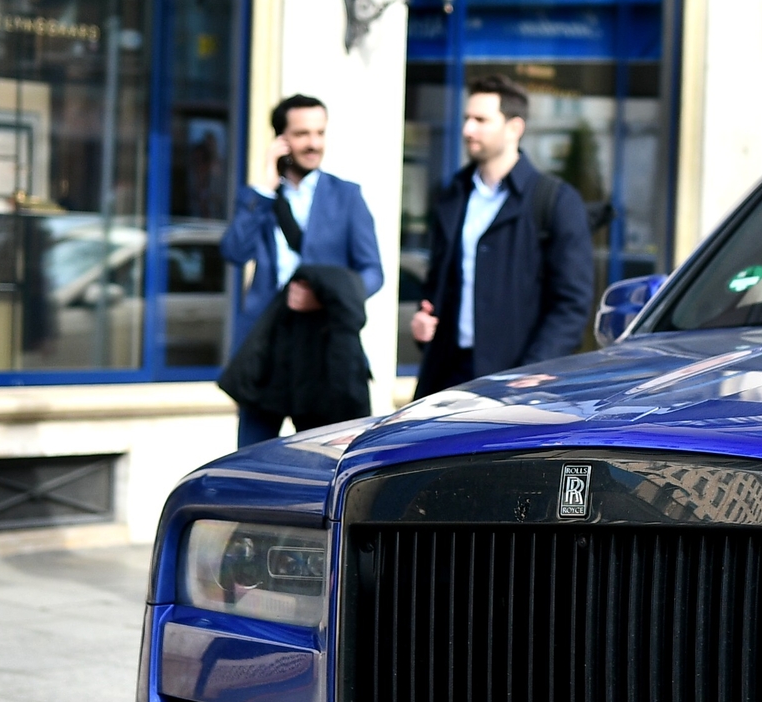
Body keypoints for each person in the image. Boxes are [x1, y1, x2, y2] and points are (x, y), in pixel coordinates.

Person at [410, 75, 594, 396]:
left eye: (481, 120)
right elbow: (438, 284)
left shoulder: (555, 201)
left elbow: (571, 304)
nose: (468, 130)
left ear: (514, 128)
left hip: (516, 382)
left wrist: (535, 370)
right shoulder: (452, 194)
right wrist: (423, 324)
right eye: (467, 119)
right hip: (445, 377)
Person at [219, 94, 385, 445]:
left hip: (323, 350)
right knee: (252, 461)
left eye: (320, 133)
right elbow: (234, 251)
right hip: (267, 344)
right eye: (302, 134)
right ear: (281, 140)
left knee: (324, 462)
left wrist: (326, 297)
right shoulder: (260, 198)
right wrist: (265, 186)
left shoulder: (347, 196)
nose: (313, 144)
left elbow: (373, 272)